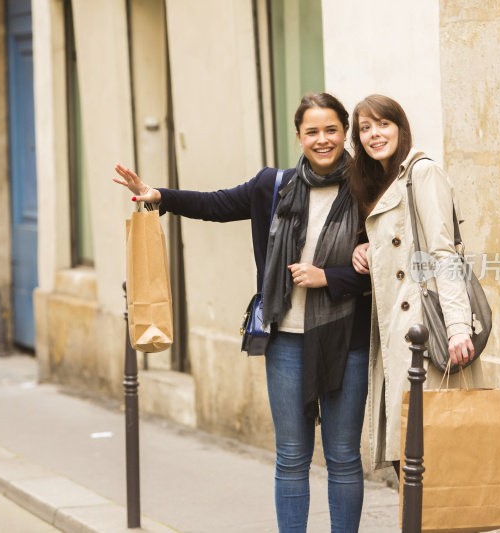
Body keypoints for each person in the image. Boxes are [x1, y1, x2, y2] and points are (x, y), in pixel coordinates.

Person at [114, 92, 371, 533]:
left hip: (346, 340)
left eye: (331, 130)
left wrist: (331, 276)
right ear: (299, 136)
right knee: (291, 455)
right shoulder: (272, 187)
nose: (323, 140)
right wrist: (160, 196)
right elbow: (215, 204)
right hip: (285, 340)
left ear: (345, 132)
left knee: (343, 456)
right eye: (313, 131)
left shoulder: (371, 191)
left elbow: (385, 271)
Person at [347, 94, 484, 478]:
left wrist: (457, 327)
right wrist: (367, 247)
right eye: (365, 128)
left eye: (383, 124)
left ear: (401, 128)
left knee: (436, 460)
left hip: (426, 336)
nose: (375, 134)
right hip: (396, 336)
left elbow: (442, 252)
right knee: (409, 461)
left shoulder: (422, 172)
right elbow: (400, 245)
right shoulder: (382, 180)